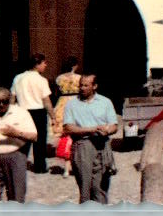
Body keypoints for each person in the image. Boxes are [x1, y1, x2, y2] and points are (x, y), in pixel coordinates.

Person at [63, 73, 118, 204]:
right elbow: (68, 128)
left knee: (101, 187)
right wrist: (91, 129)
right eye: (80, 85)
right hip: (83, 146)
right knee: (85, 188)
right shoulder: (72, 105)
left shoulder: (105, 102)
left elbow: (114, 125)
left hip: (103, 146)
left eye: (86, 85)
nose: (82, 88)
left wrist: (107, 130)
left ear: (95, 86)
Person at [10, 52, 55, 174]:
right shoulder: (41, 80)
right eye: (44, 63)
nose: (45, 65)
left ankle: (18, 165)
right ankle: (40, 167)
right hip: (38, 113)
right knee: (39, 141)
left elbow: (12, 98)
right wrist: (53, 116)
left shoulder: (18, 78)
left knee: (23, 140)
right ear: (37, 64)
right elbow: (46, 101)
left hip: (22, 111)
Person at [0, 87, 37, 203]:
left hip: (15, 156)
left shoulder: (21, 113)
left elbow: (34, 136)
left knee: (16, 196)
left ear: (10, 100)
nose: (1, 105)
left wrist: (16, 133)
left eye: (4, 101)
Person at [54, 56, 81, 177]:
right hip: (76, 101)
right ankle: (76, 165)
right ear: (75, 65)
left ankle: (66, 168)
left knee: (65, 135)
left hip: (62, 103)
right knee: (78, 135)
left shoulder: (59, 78)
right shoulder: (79, 78)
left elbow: (56, 92)